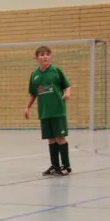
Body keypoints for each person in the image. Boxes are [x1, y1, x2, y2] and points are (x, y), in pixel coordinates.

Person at [24, 45, 72, 176]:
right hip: (44, 112)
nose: (45, 57)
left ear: (50, 56)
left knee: (60, 138)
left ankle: (66, 166)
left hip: (58, 111)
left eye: (47, 54)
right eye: (42, 54)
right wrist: (27, 107)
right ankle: (55, 165)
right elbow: (33, 94)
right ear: (36, 58)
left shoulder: (56, 71)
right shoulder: (34, 75)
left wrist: (67, 93)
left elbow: (67, 86)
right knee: (51, 139)